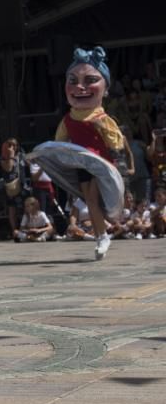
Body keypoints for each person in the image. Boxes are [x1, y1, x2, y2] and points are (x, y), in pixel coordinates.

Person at [27, 47, 127, 260]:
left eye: (89, 80)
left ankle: (105, 230)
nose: (80, 87)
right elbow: (59, 146)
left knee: (97, 200)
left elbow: (116, 143)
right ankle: (102, 236)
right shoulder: (68, 120)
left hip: (101, 163)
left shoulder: (102, 117)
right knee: (90, 201)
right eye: (73, 81)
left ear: (105, 88)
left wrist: (102, 128)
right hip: (82, 164)